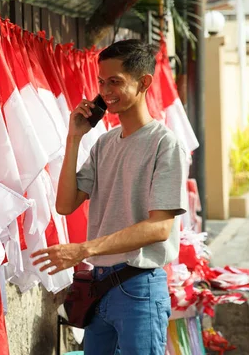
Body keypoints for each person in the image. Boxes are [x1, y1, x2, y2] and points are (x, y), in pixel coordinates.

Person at [31, 39, 188, 354]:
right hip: (100, 287)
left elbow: (159, 228)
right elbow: (65, 205)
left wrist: (83, 249)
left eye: (115, 82)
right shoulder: (104, 143)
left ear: (144, 82)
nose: (105, 91)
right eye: (101, 82)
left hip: (139, 287)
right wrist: (74, 137)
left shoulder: (164, 143)